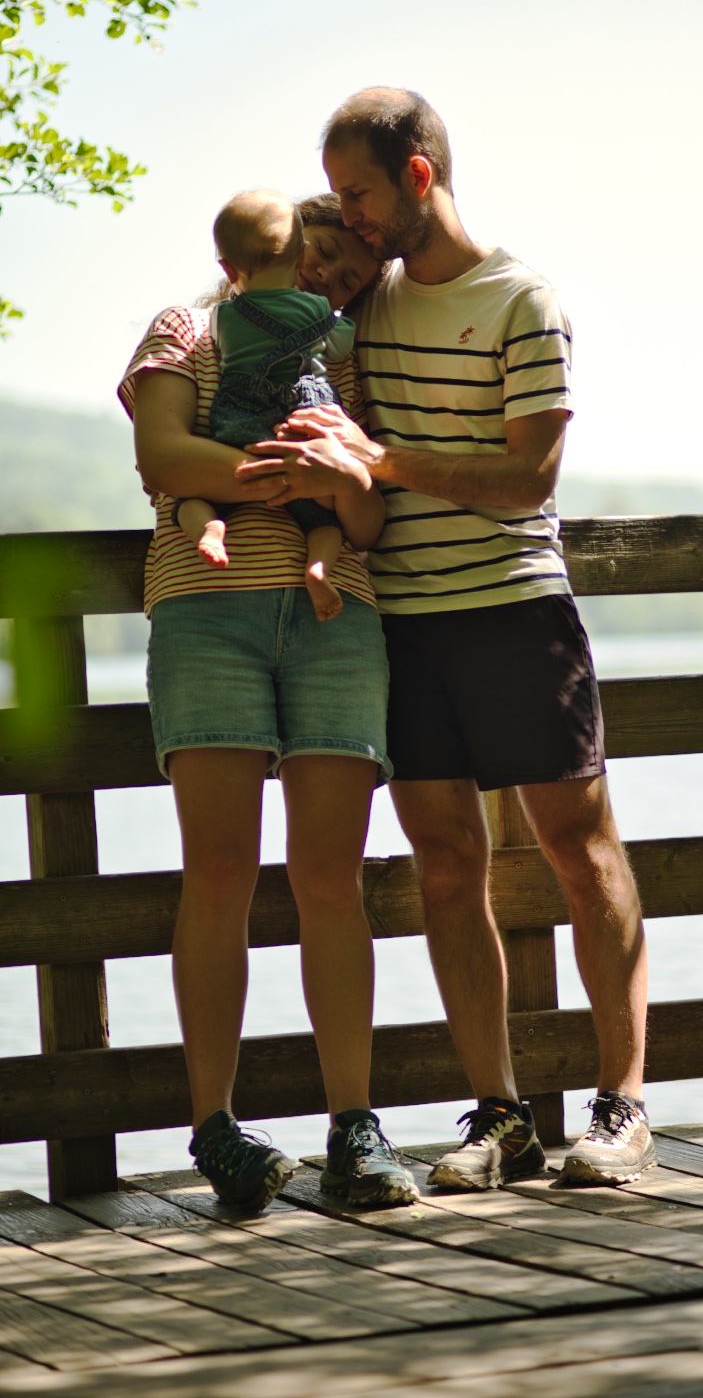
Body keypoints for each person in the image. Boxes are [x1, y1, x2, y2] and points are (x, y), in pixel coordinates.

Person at [240, 90, 654, 1190]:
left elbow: (528, 481)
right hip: (406, 627)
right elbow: (269, 299)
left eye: (362, 193)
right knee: (445, 866)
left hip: (517, 609)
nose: (351, 217)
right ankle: (500, 1116)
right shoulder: (360, 307)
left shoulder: (523, 298)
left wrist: (380, 459)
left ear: (419, 176)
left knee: (580, 851)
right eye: (338, 198)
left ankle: (619, 1109)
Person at [120, 192, 419, 1213]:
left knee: (332, 878)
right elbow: (164, 455)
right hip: (208, 617)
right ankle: (216, 1129)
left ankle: (355, 1129)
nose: (329, 277)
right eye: (316, 256)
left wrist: (336, 491)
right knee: (219, 874)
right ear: (277, 249)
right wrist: (297, 474)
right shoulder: (185, 327)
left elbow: (368, 508)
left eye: (345, 268)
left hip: (340, 620)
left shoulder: (340, 352)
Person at [175, 189, 363, 623]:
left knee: (194, 498)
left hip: (242, 414)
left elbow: (223, 350)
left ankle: (212, 526)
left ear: (227, 266)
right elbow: (338, 347)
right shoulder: (318, 307)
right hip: (302, 424)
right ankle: (317, 568)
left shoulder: (223, 315)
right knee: (323, 524)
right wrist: (340, 321)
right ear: (301, 256)